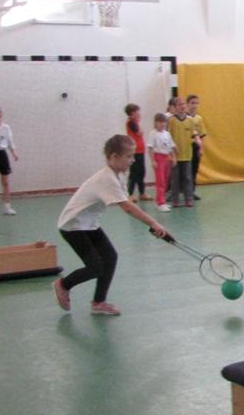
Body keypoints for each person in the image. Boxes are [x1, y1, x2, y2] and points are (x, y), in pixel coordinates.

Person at [53, 135, 169, 315]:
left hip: (88, 224)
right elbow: (127, 207)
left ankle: (98, 302)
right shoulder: (107, 178)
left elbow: (125, 202)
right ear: (114, 157)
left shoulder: (118, 176)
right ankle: (63, 285)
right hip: (73, 226)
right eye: (129, 156)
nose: (133, 160)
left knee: (110, 257)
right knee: (95, 267)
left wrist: (151, 224)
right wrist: (154, 223)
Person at [167, 97, 196, 207]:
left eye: (183, 104)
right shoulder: (171, 121)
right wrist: (171, 153)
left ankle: (189, 198)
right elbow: (168, 138)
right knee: (175, 179)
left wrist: (197, 141)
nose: (182, 106)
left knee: (187, 178)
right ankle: (175, 200)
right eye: (179, 105)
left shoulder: (190, 120)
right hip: (175, 156)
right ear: (175, 107)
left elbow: (193, 135)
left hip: (187, 154)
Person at [147, 113, 176, 212]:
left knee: (165, 180)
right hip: (158, 157)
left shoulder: (167, 134)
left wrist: (173, 157)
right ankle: (160, 203)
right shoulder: (153, 134)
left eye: (164, 122)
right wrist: (153, 160)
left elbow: (170, 146)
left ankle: (160, 200)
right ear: (155, 123)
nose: (162, 124)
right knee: (160, 181)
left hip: (166, 157)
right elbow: (150, 148)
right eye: (160, 122)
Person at [124, 103, 150, 203]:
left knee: (141, 172)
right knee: (134, 173)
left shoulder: (135, 122)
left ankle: (142, 193)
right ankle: (129, 194)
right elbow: (140, 132)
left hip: (140, 151)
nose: (139, 113)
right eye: (137, 111)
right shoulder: (131, 122)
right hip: (134, 151)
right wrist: (138, 122)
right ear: (132, 113)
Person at [186, 95, 207, 200]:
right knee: (184, 171)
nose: (194, 105)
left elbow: (202, 135)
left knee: (194, 170)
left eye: (196, 103)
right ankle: (179, 192)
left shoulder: (199, 119)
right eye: (192, 103)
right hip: (185, 146)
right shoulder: (184, 118)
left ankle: (191, 192)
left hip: (195, 146)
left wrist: (201, 148)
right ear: (187, 104)